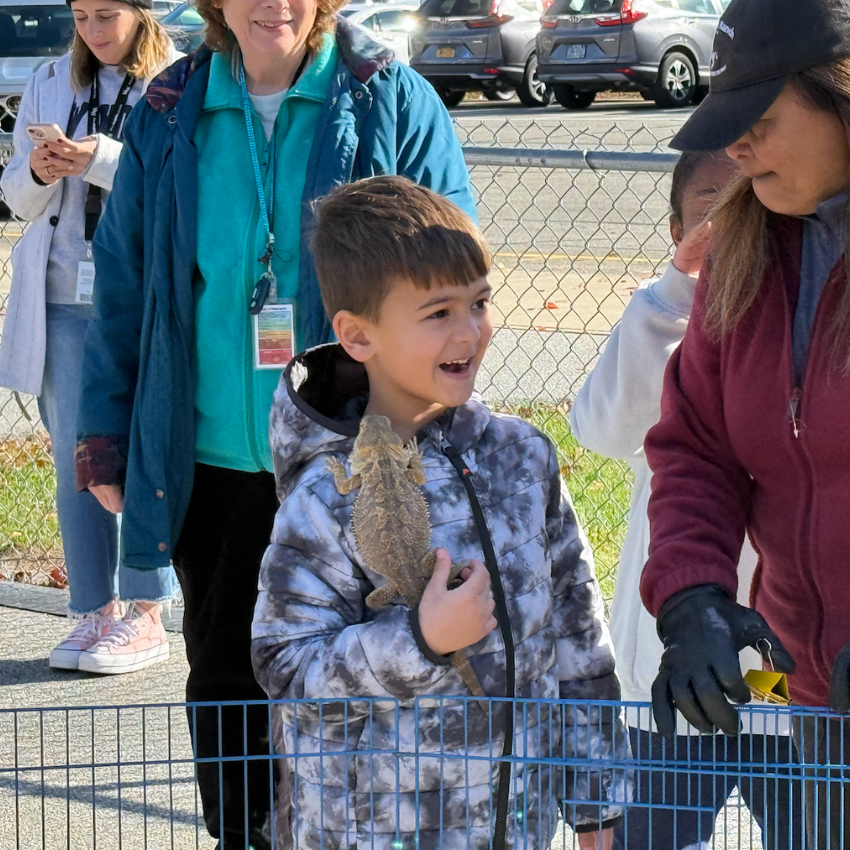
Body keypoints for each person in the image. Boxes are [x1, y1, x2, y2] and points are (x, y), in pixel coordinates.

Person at [72, 1, 476, 844]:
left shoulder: (391, 101)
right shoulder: (167, 110)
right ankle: (241, 837)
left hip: (355, 467)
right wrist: (104, 433)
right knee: (225, 680)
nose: (275, 5)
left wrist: (435, 427)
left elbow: (452, 280)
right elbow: (123, 284)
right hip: (211, 468)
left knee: (360, 684)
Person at [250, 175, 631, 850]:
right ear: (357, 336)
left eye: (479, 302)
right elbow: (288, 669)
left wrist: (597, 804)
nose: (470, 331)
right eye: (438, 313)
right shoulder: (325, 496)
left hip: (518, 829)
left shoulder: (523, 458)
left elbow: (579, 638)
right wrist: (419, 643)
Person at [637, 0, 850, 845]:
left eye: (758, 120)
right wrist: (692, 593)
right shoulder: (743, 251)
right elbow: (696, 447)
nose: (737, 148)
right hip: (817, 701)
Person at [571, 150, 805, 850]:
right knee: (654, 835)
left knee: (808, 823)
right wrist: (677, 289)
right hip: (675, 671)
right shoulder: (664, 321)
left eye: (751, 205)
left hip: (781, 677)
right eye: (712, 209)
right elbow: (602, 427)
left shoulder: (801, 322)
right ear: (676, 228)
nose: (733, 224)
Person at [0, 0, 180, 673]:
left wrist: (96, 157)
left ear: (142, 13)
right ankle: (93, 609)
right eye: (81, 17)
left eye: (108, 15)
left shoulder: (179, 76)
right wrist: (44, 169)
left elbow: (170, 181)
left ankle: (147, 611)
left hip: (137, 297)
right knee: (77, 459)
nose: (94, 31)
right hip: (60, 299)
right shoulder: (51, 80)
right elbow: (15, 195)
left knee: (134, 452)